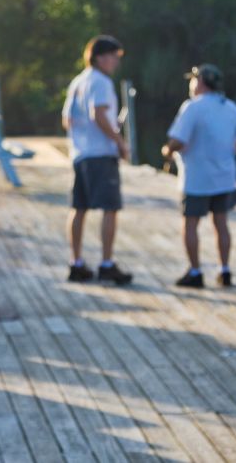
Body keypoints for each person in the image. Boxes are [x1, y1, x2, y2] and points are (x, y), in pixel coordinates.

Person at [162, 64, 236, 288]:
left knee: (190, 224)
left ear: (200, 82)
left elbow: (178, 140)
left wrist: (167, 151)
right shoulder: (229, 106)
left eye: (193, 80)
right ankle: (225, 270)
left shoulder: (192, 107)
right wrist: (230, 150)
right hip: (224, 177)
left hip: (196, 179)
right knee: (221, 223)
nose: (191, 84)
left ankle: (195, 272)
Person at [61, 35, 133, 285]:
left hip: (80, 154)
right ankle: (106, 263)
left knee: (79, 208)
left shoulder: (78, 82)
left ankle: (76, 263)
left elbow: (66, 119)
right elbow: (99, 114)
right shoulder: (101, 82)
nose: (116, 62)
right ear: (100, 57)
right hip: (101, 155)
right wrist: (120, 142)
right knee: (110, 209)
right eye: (114, 56)